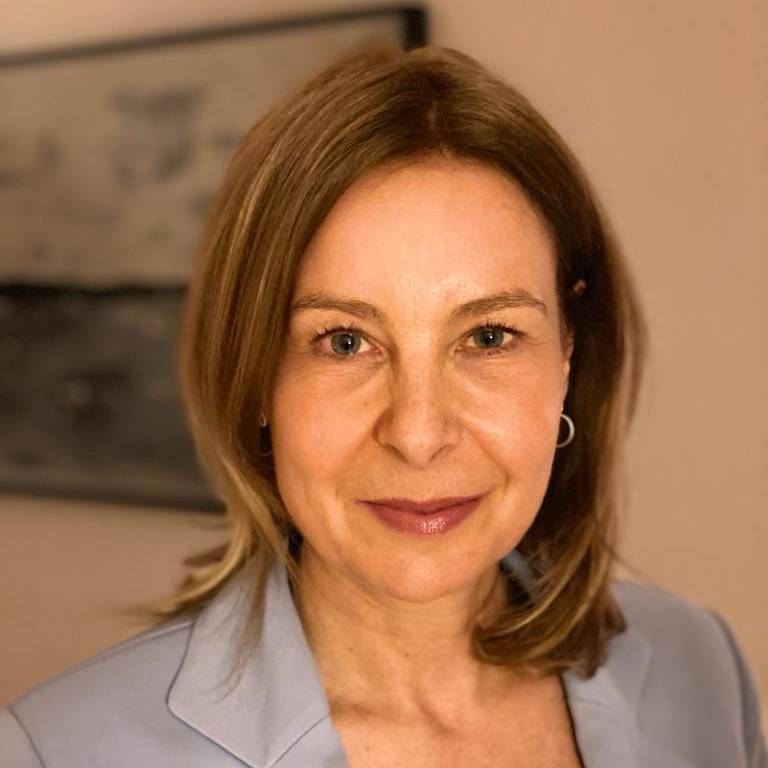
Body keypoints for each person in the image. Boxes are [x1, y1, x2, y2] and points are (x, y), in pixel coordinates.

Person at [1, 43, 765, 768]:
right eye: (344, 342)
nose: (418, 433)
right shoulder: (55, 751)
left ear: (568, 349)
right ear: (255, 375)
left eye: (489, 336)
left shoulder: (702, 672)